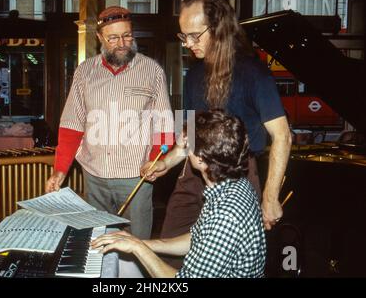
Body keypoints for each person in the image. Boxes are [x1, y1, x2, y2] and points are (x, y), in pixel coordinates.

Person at [141, 0, 292, 245]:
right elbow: (185, 135)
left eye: (194, 35)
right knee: (168, 245)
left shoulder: (254, 72)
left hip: (238, 176)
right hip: (193, 174)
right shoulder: (193, 74)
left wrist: (270, 195)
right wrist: (165, 163)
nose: (187, 43)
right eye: (183, 35)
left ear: (218, 27)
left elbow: (283, 136)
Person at [45, 6, 174, 239]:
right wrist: (60, 170)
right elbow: (72, 125)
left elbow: (164, 124)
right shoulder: (85, 72)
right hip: (95, 176)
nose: (122, 43)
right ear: (100, 38)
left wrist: (158, 160)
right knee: (98, 240)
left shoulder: (152, 70)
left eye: (127, 35)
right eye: (113, 38)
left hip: (137, 176)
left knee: (137, 243)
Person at [92, 111, 267, 278]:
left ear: (200, 159)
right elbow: (197, 238)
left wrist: (138, 248)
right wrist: (142, 243)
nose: (183, 147)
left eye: (187, 144)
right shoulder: (233, 184)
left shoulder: (226, 216)